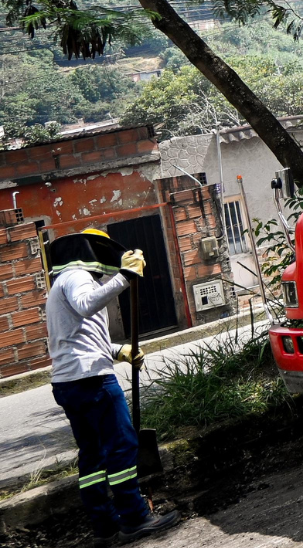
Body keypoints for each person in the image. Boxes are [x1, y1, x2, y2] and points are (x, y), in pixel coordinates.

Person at [46, 229, 179, 544]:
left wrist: (118, 350)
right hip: (92, 380)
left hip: (69, 381)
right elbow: (85, 306)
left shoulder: (59, 284)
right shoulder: (77, 276)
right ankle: (135, 517)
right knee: (121, 447)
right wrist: (125, 276)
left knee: (92, 455)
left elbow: (77, 336)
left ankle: (105, 525)